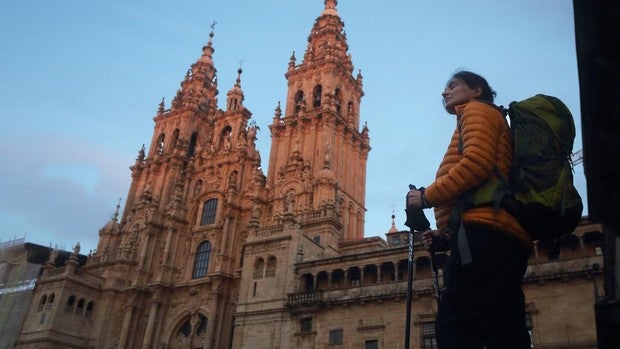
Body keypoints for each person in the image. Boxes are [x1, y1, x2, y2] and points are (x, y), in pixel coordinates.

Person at [406, 71, 533, 349]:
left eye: (453, 85)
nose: (445, 92)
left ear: (476, 90)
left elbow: (476, 164)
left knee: (456, 325)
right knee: (506, 330)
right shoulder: (482, 115)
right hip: (499, 236)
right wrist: (446, 236)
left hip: (483, 238)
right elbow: (479, 190)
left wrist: (426, 197)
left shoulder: (477, 111)